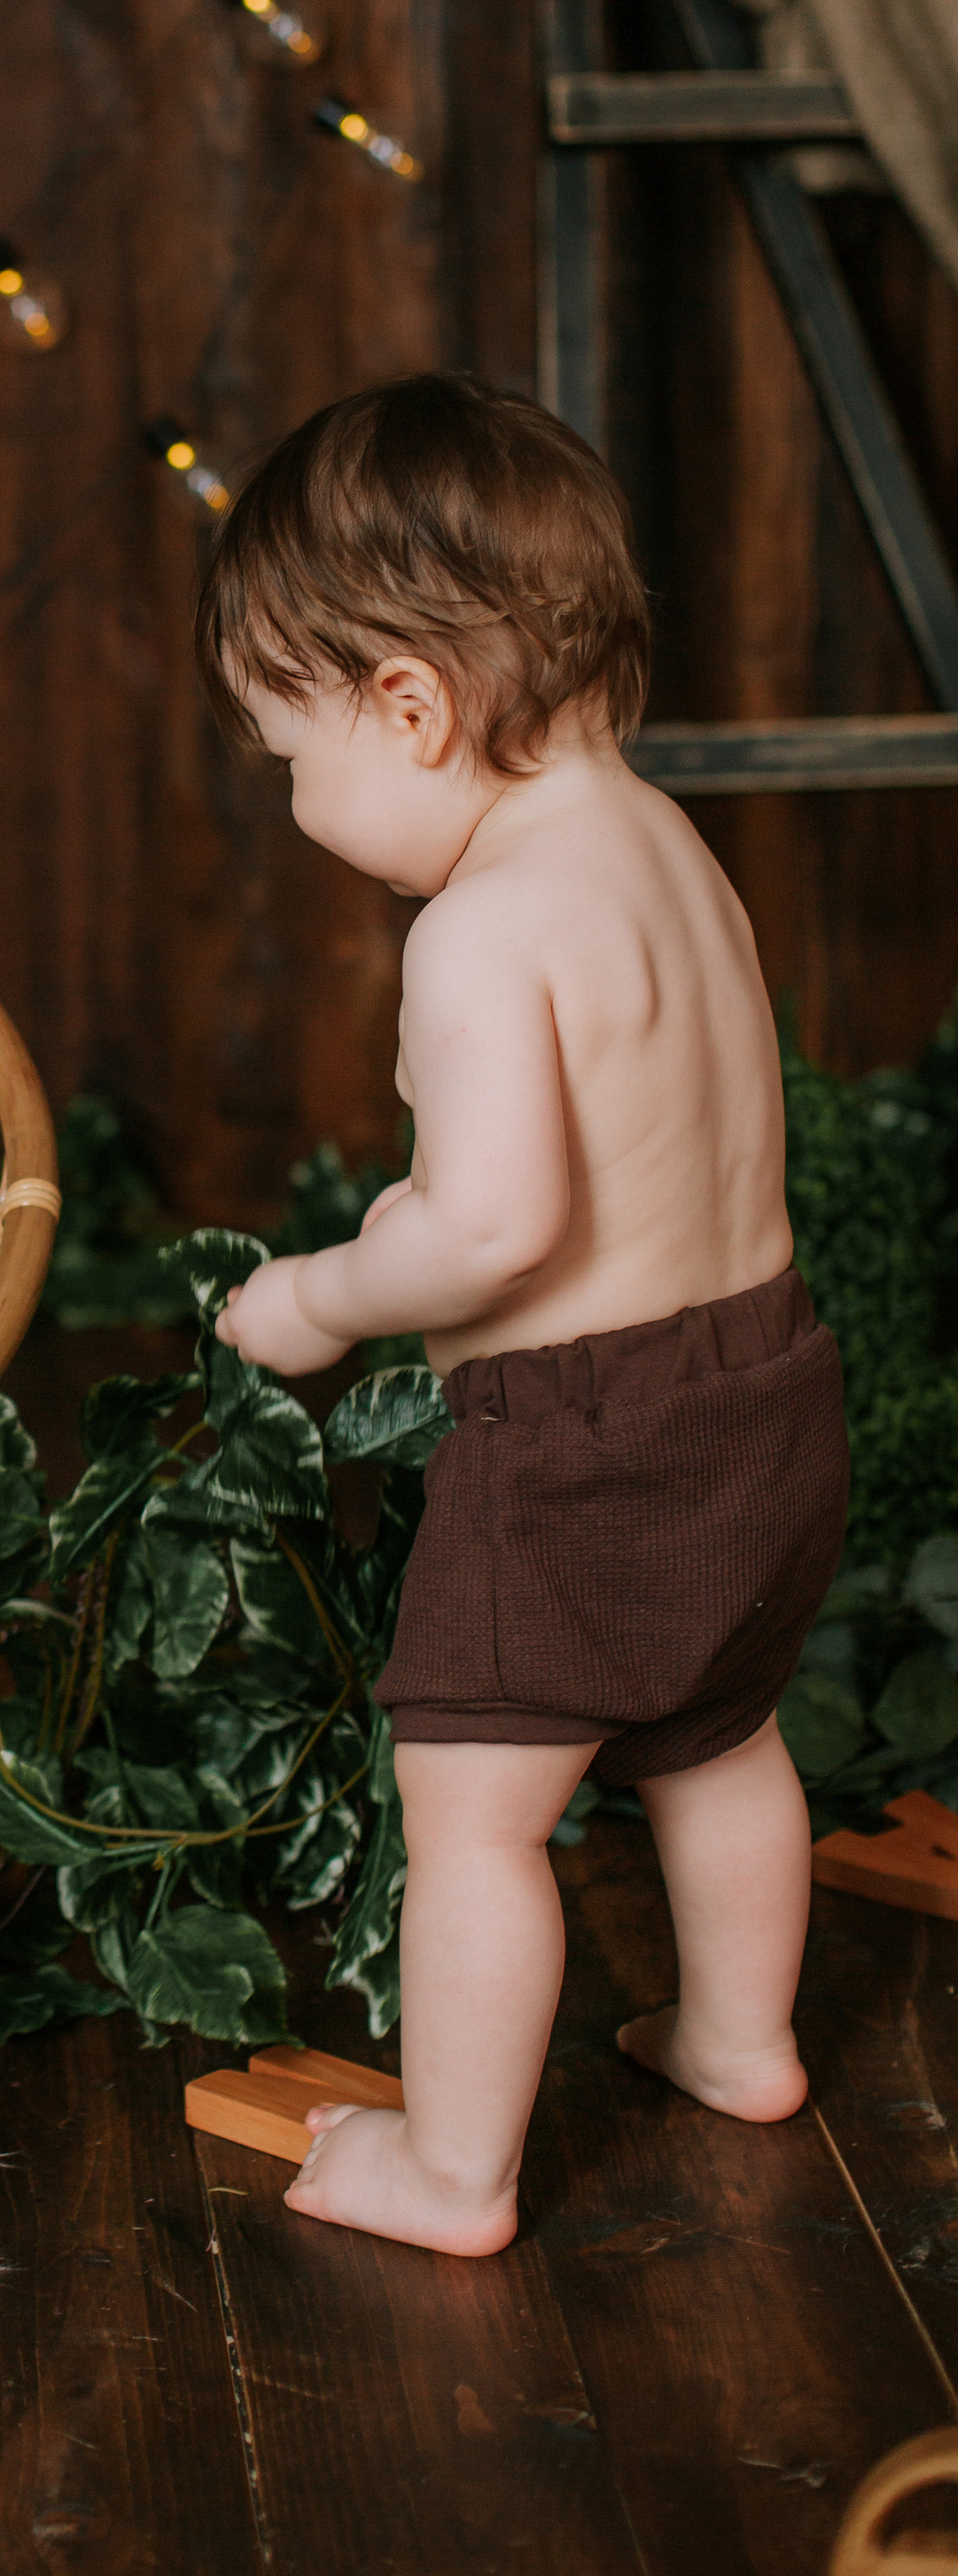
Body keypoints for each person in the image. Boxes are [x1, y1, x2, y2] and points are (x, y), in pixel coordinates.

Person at [197, 372, 847, 2259]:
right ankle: (736, 2039)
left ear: (407, 704)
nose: (298, 803)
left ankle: (451, 2171)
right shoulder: (663, 854)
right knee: (717, 1737)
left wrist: (323, 1294)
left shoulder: (477, 931)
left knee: (471, 1818)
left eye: (287, 758)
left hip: (580, 1440)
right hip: (766, 1385)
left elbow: (490, 1225)